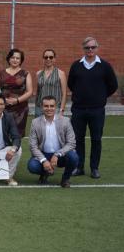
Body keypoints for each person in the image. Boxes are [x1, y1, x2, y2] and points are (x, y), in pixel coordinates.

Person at [68, 37, 118, 179]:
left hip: (97, 110)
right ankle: (79, 167)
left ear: (97, 48)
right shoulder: (76, 65)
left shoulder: (105, 66)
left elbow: (113, 85)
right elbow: (71, 84)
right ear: (83, 49)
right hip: (78, 109)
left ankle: (94, 168)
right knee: (78, 139)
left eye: (93, 47)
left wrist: (101, 96)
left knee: (96, 139)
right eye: (87, 48)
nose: (90, 50)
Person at [27, 95, 79, 188]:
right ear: (42, 107)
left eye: (52, 106)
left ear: (56, 107)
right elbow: (33, 146)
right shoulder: (35, 122)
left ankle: (65, 179)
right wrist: (44, 161)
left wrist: (57, 154)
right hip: (44, 154)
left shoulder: (65, 121)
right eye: (46, 106)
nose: (49, 108)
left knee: (73, 157)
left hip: (60, 155)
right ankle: (46, 172)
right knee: (32, 166)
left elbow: (71, 143)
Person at [0, 48, 33, 137]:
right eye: (13, 57)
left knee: (17, 135)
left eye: (17, 58)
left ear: (21, 60)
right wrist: (3, 100)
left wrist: (17, 100)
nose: (15, 60)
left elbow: (30, 91)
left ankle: (16, 150)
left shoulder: (26, 73)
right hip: (3, 108)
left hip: (20, 109)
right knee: (3, 134)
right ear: (9, 59)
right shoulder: (1, 73)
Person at [35, 49, 67, 117]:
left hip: (55, 109)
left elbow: (64, 94)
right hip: (40, 109)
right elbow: (38, 92)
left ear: (54, 59)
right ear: (43, 59)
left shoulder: (60, 73)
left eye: (51, 57)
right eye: (46, 57)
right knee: (40, 128)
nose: (48, 59)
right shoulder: (38, 74)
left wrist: (62, 110)